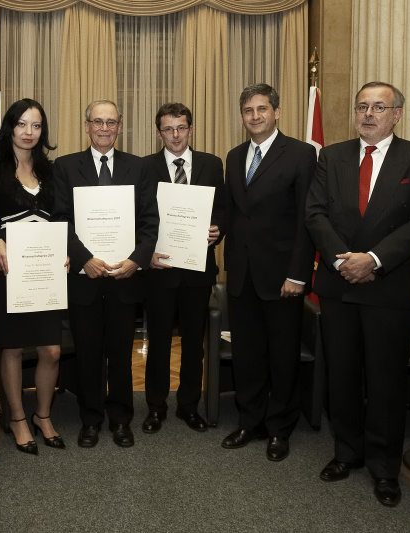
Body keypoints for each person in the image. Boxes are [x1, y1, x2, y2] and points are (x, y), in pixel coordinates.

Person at [305, 81, 410, 506]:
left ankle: (385, 468)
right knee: (342, 376)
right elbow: (315, 212)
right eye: (363, 106)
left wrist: (374, 260)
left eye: (378, 107)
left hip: (388, 287)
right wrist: (343, 261)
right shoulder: (333, 155)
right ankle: (347, 452)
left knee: (385, 383)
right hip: (339, 284)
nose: (368, 114)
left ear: (397, 114)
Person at [52, 100, 159, 448]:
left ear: (120, 126)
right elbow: (60, 220)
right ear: (86, 126)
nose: (104, 128)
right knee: (87, 354)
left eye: (111, 122)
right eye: (97, 121)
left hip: (124, 279)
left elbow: (149, 221)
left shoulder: (138, 167)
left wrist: (137, 259)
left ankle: (121, 419)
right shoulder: (65, 167)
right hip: (84, 279)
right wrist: (84, 258)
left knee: (120, 355)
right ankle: (90, 419)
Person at [221, 83, 316, 462]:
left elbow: (307, 219)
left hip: (282, 277)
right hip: (241, 274)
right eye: (248, 110)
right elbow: (234, 212)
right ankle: (250, 421)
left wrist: (297, 274)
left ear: (277, 112)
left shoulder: (301, 154)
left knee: (282, 355)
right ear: (242, 115)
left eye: (262, 109)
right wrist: (214, 231)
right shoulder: (234, 155)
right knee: (247, 354)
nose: (255, 116)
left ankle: (280, 428)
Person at [0, 98, 66, 453]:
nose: (29, 132)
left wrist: (65, 252)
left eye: (36, 125)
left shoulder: (51, 171)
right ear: (9, 127)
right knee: (12, 349)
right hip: (9, 271)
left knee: (52, 350)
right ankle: (17, 418)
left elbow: (62, 217)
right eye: (22, 124)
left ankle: (42, 415)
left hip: (46, 272)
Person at [141, 103, 225, 434]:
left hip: (198, 270)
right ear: (158, 132)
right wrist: (144, 254)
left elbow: (222, 210)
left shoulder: (212, 164)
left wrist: (218, 231)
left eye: (181, 128)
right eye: (168, 129)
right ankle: (155, 407)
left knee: (194, 344)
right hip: (160, 269)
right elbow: (139, 217)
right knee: (158, 341)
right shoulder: (145, 167)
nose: (175, 135)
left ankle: (188, 406)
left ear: (191, 129)